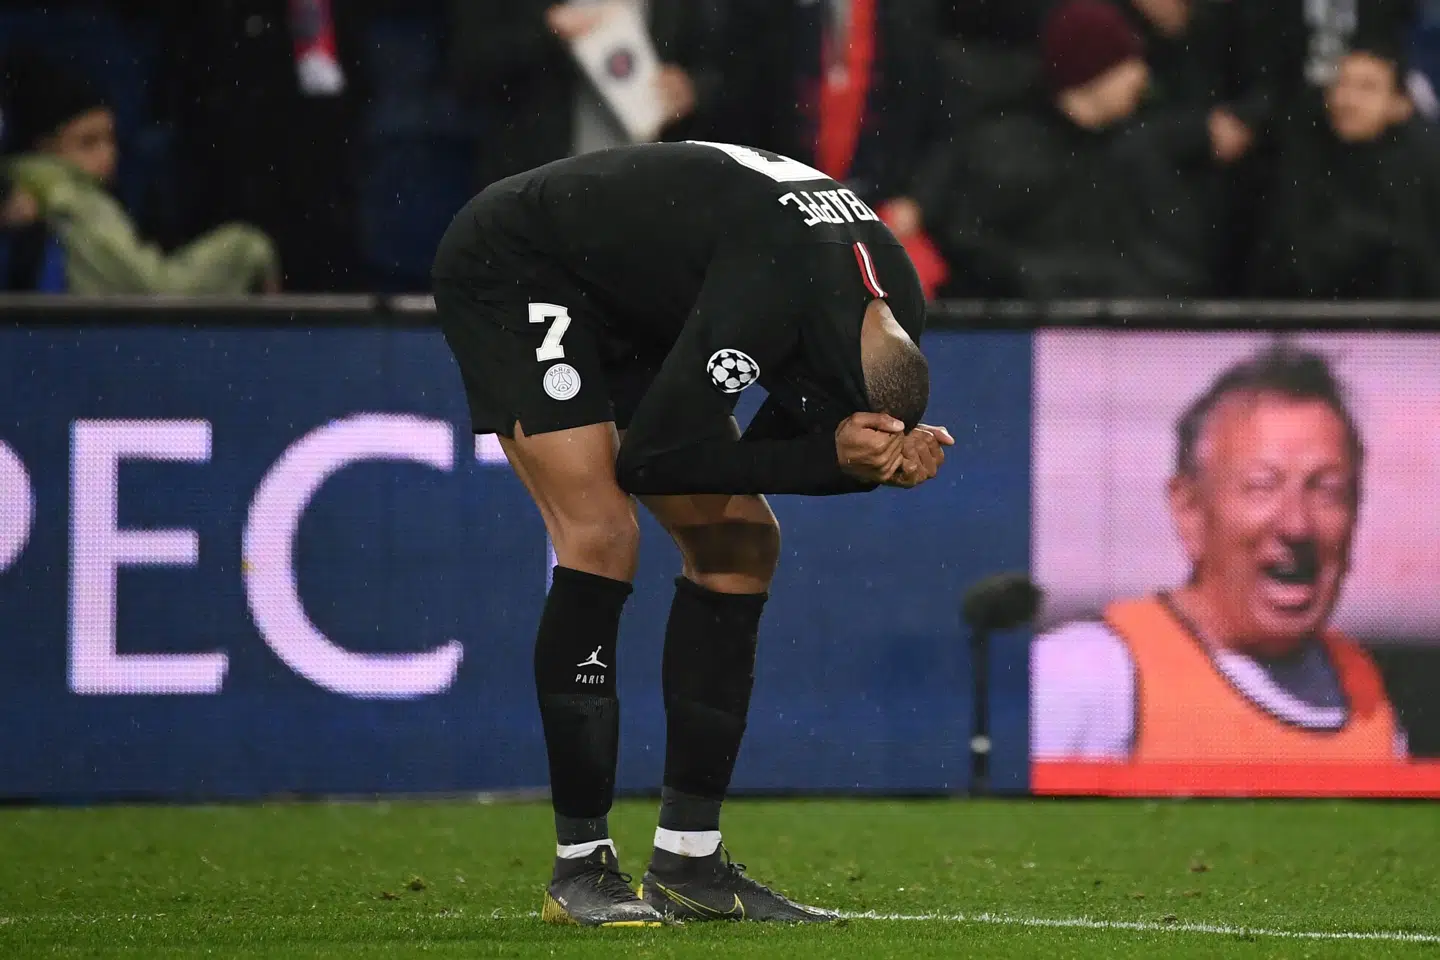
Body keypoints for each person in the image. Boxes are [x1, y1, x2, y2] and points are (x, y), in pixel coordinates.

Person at [431, 140, 951, 926]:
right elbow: (657, 461)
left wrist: (872, 461)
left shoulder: (895, 302)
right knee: (603, 532)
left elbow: (779, 454)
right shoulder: (775, 290)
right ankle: (580, 869)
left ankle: (690, 863)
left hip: (638, 291)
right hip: (524, 263)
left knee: (742, 545)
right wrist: (832, 455)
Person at [1031, 346, 1404, 764]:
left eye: (1327, 490)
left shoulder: (1365, 697)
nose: (1297, 525)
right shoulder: (1088, 675)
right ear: (1190, 510)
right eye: (1263, 485)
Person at [0, 52, 280, 295]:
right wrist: (246, 247)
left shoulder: (48, 193)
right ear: (44, 149)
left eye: (111, 139)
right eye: (87, 143)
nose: (107, 155)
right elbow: (154, 291)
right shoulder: (72, 200)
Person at [1249, 44, 1440, 298]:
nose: (1347, 99)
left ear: (1400, 105)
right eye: (1341, 84)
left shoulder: (1425, 167)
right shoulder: (1303, 160)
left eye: (1367, 88)